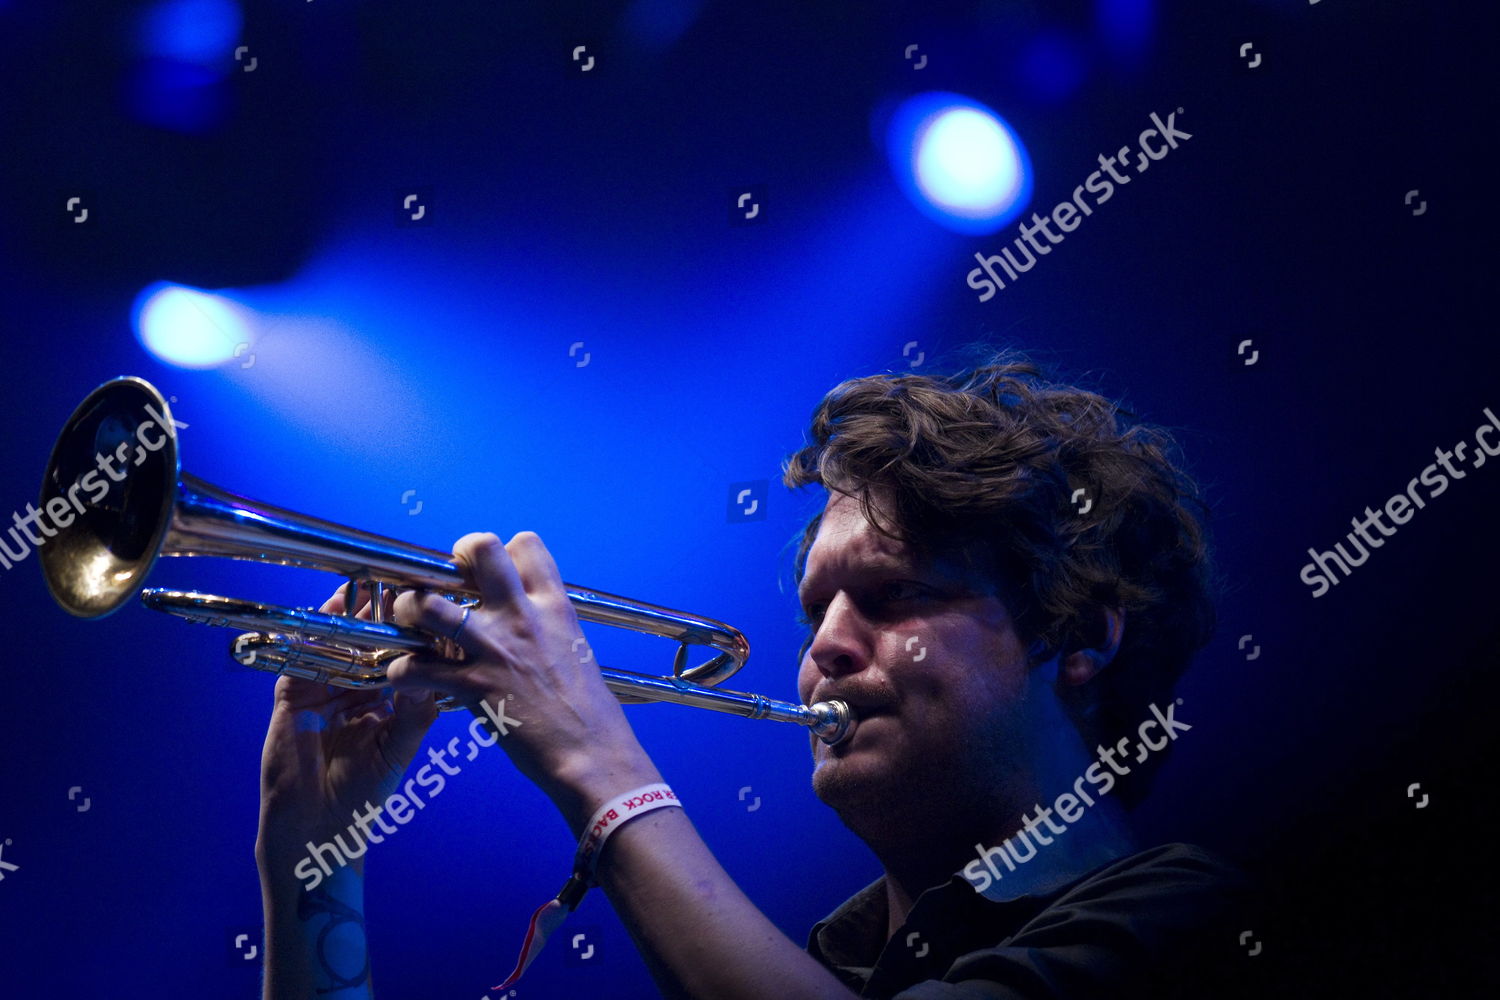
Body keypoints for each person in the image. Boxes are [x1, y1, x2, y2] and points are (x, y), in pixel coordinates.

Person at [255, 352, 1254, 999]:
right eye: (818, 610)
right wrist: (315, 857)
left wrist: (596, 759)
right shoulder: (821, 966)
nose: (825, 647)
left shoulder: (1190, 921)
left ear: (1078, 638)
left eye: (897, 593)